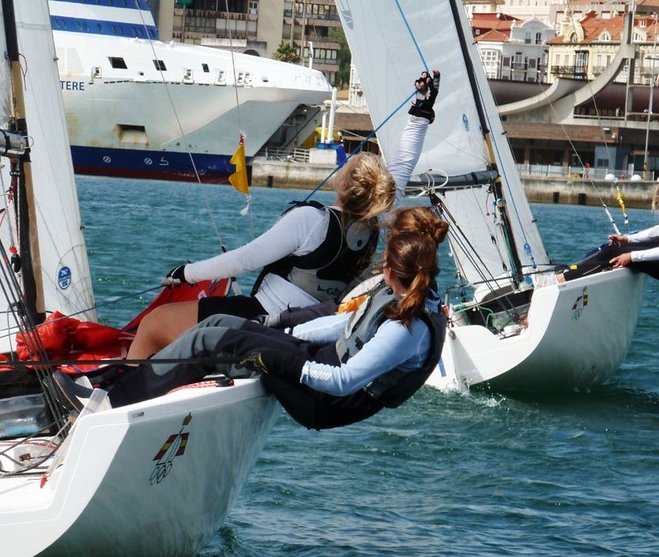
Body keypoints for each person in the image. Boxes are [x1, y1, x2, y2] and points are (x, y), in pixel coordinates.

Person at [125, 70, 441, 360]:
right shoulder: (374, 217)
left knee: (154, 325)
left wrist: (186, 273)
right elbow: (401, 167)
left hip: (264, 318)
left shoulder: (312, 221)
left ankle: (119, 396)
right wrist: (421, 112)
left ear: (344, 183)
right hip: (310, 327)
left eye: (346, 166)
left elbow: (245, 260)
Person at [106, 207, 449, 430]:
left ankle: (115, 405)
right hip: (319, 363)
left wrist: (279, 359)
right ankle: (125, 390)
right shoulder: (399, 294)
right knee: (220, 325)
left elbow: (342, 382)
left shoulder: (408, 329)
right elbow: (343, 326)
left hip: (326, 401)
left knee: (213, 342)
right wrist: (281, 330)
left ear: (391, 269)